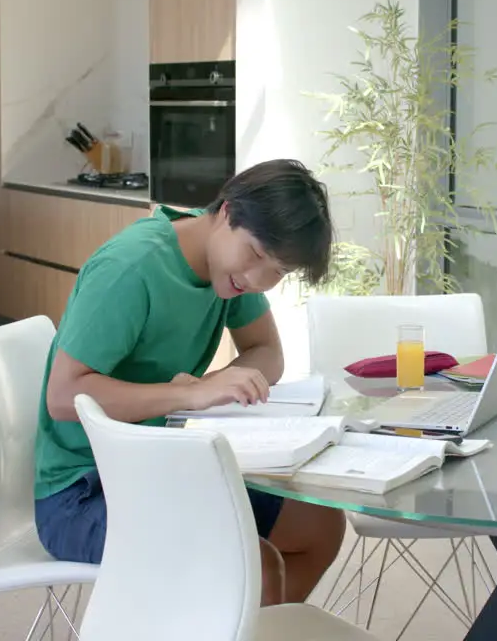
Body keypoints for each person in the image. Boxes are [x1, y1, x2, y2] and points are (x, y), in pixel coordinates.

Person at [34, 158, 346, 606]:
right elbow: (63, 396)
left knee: (320, 524)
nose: (258, 279)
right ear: (226, 213)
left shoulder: (228, 272)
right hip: (84, 491)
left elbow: (267, 352)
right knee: (248, 564)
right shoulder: (132, 268)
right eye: (256, 254)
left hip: (167, 468)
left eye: (277, 271)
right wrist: (190, 394)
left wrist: (219, 384)